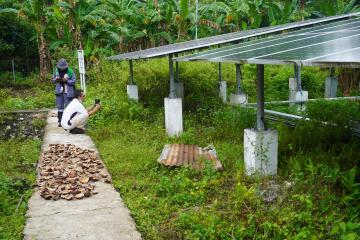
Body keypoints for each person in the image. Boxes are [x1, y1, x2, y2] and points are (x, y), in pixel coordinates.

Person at [51, 58, 76, 127]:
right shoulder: (56, 71)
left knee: (68, 107)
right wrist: (56, 79)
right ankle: (60, 121)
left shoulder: (70, 72)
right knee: (60, 107)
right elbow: (52, 80)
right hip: (59, 91)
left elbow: (74, 81)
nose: (62, 69)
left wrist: (67, 81)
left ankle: (68, 121)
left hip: (68, 92)